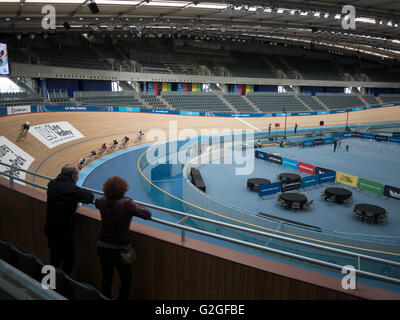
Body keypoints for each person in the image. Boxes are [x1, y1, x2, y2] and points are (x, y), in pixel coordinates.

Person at [95, 176, 151, 300]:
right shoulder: (127, 203)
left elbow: (96, 203)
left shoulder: (102, 201)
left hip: (102, 246)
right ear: (123, 189)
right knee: (126, 280)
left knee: (106, 279)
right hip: (119, 249)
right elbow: (146, 214)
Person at [45, 164, 94, 275]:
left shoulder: (52, 184)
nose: (78, 178)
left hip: (50, 227)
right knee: (69, 260)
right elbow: (89, 197)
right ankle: (60, 287)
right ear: (73, 176)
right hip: (63, 231)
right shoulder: (69, 189)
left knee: (54, 259)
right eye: (77, 176)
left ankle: (48, 286)